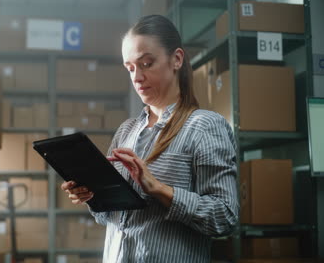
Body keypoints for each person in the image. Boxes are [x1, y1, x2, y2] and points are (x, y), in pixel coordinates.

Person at [60, 15, 239, 263]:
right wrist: (93, 196)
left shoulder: (204, 126)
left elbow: (225, 217)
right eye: (130, 68)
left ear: (176, 59)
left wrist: (158, 189)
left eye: (146, 63)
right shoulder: (126, 131)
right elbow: (109, 218)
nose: (136, 77)